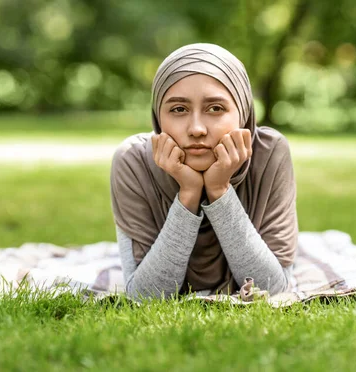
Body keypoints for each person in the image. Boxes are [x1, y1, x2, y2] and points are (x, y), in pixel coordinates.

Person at [110, 43, 298, 299]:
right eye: (178, 109)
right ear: (158, 116)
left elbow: (272, 287)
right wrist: (189, 193)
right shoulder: (133, 162)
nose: (196, 128)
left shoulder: (270, 154)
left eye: (215, 108)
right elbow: (145, 295)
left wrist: (220, 190)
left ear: (243, 112)